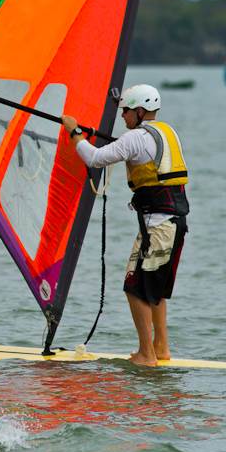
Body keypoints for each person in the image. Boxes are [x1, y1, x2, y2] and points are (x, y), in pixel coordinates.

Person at [61, 84, 189, 367]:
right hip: (175, 224)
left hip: (158, 228)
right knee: (155, 287)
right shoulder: (166, 132)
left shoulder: (135, 138)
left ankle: (146, 354)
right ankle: (161, 347)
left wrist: (74, 132)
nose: (123, 116)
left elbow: (95, 159)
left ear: (140, 111)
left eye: (126, 111)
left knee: (134, 287)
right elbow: (130, 151)